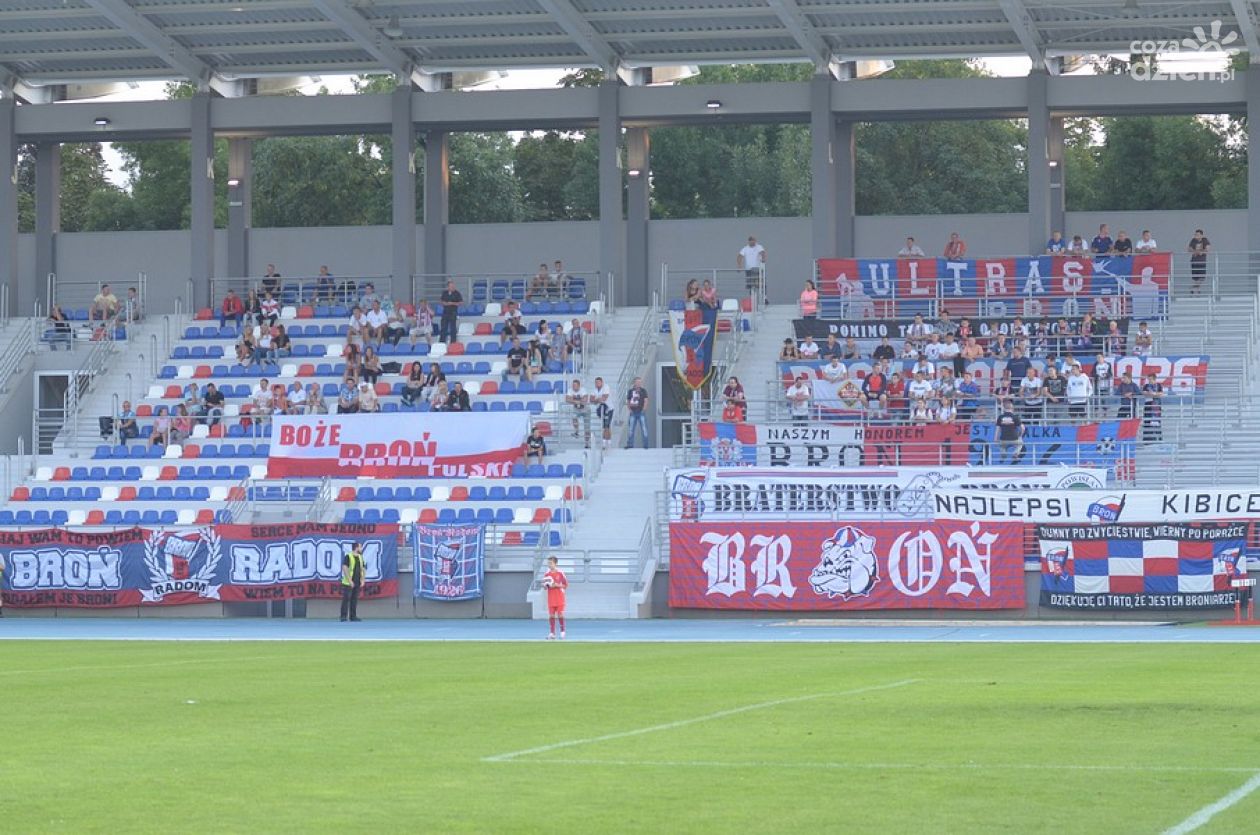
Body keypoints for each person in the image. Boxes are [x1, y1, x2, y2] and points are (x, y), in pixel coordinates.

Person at [543, 555, 568, 640]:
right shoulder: (547, 574)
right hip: (551, 598)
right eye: (548, 563)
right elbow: (546, 586)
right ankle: (552, 633)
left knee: (560, 614)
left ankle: (562, 632)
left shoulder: (560, 573)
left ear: (555, 563)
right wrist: (545, 586)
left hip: (559, 598)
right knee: (551, 616)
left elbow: (566, 585)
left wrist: (557, 585)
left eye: (551, 563)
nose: (549, 565)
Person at [340, 542, 365, 622]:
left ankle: (353, 616)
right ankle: (343, 616)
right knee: (346, 599)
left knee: (354, 599)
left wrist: (363, 579)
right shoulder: (348, 556)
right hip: (348, 582)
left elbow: (363, 569)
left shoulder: (361, 557)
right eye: (360, 547)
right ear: (356, 548)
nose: (361, 549)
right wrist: (350, 580)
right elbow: (344, 568)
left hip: (357, 581)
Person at [625, 377, 649, 448]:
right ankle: (630, 444)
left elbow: (646, 400)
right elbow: (628, 401)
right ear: (634, 383)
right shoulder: (630, 391)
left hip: (641, 412)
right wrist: (630, 410)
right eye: (637, 382)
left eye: (640, 382)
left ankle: (645, 445)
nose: (639, 383)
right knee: (631, 429)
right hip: (633, 412)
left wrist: (644, 409)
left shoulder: (643, 391)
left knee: (644, 429)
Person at [590, 376, 613, 449]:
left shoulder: (606, 387)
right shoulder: (594, 390)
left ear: (602, 382)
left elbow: (604, 398)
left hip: (608, 408)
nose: (597, 384)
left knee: (606, 425)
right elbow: (591, 400)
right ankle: (607, 441)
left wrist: (596, 399)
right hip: (600, 409)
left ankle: (605, 443)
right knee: (605, 426)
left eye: (598, 382)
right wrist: (598, 399)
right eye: (596, 382)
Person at [1141, 372, 1164, 441]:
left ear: (1154, 379)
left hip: (1156, 405)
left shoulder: (1159, 385)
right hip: (1148, 404)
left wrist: (1153, 394)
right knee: (1147, 421)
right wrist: (1152, 394)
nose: (1149, 381)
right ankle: (1147, 439)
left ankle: (1159, 438)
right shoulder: (1146, 385)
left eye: (1150, 379)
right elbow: (1144, 393)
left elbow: (1161, 394)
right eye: (1148, 379)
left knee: (1157, 421)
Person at [566, 378, 589, 444]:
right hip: (576, 408)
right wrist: (576, 402)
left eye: (575, 385)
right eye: (573, 385)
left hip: (585, 408)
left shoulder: (583, 390)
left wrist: (574, 401)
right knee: (574, 417)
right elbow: (567, 399)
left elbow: (585, 399)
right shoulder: (570, 390)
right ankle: (576, 431)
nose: (574, 387)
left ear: (579, 385)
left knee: (587, 426)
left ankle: (587, 442)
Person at [1188, 229, 1211, 295]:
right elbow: (1189, 248)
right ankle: (1197, 290)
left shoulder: (1205, 240)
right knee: (1195, 278)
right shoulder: (1193, 240)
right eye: (1195, 234)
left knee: (1202, 277)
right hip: (1194, 261)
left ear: (1201, 235)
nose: (1196, 236)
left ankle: (1193, 288)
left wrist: (1202, 251)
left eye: (1197, 235)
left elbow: (1208, 249)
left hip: (1202, 261)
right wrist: (1195, 251)